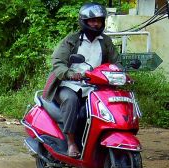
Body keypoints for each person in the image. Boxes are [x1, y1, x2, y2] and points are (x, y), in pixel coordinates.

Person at [45, 3, 119, 158]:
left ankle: (94, 142)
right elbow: (57, 62)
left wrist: (120, 72)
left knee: (106, 107)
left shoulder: (105, 42)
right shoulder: (71, 40)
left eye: (98, 20)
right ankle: (71, 143)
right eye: (92, 20)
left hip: (94, 87)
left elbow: (115, 62)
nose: (96, 23)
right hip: (69, 85)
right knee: (71, 101)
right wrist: (69, 73)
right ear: (83, 21)